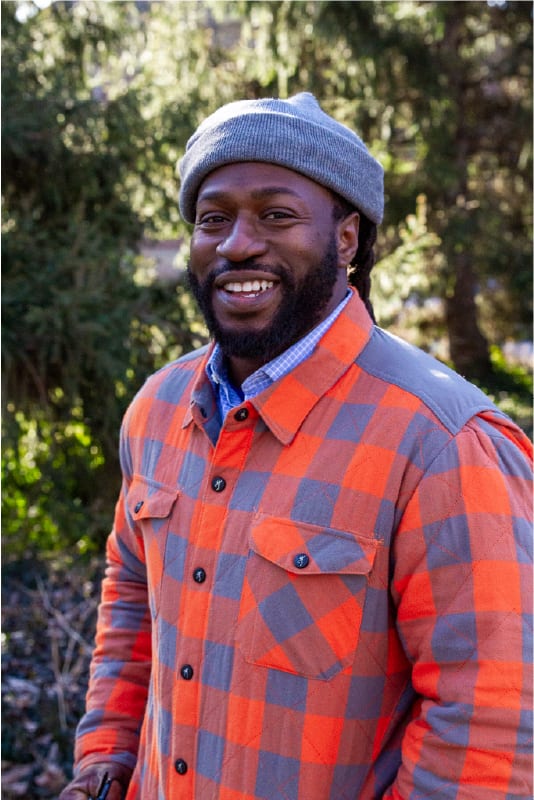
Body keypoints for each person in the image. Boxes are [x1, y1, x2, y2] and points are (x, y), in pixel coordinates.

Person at [60, 93, 532, 800]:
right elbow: (132, 593)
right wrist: (106, 758)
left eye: (276, 215)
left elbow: (495, 726)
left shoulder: (443, 444)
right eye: (212, 219)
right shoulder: (157, 408)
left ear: (346, 239)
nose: (236, 243)